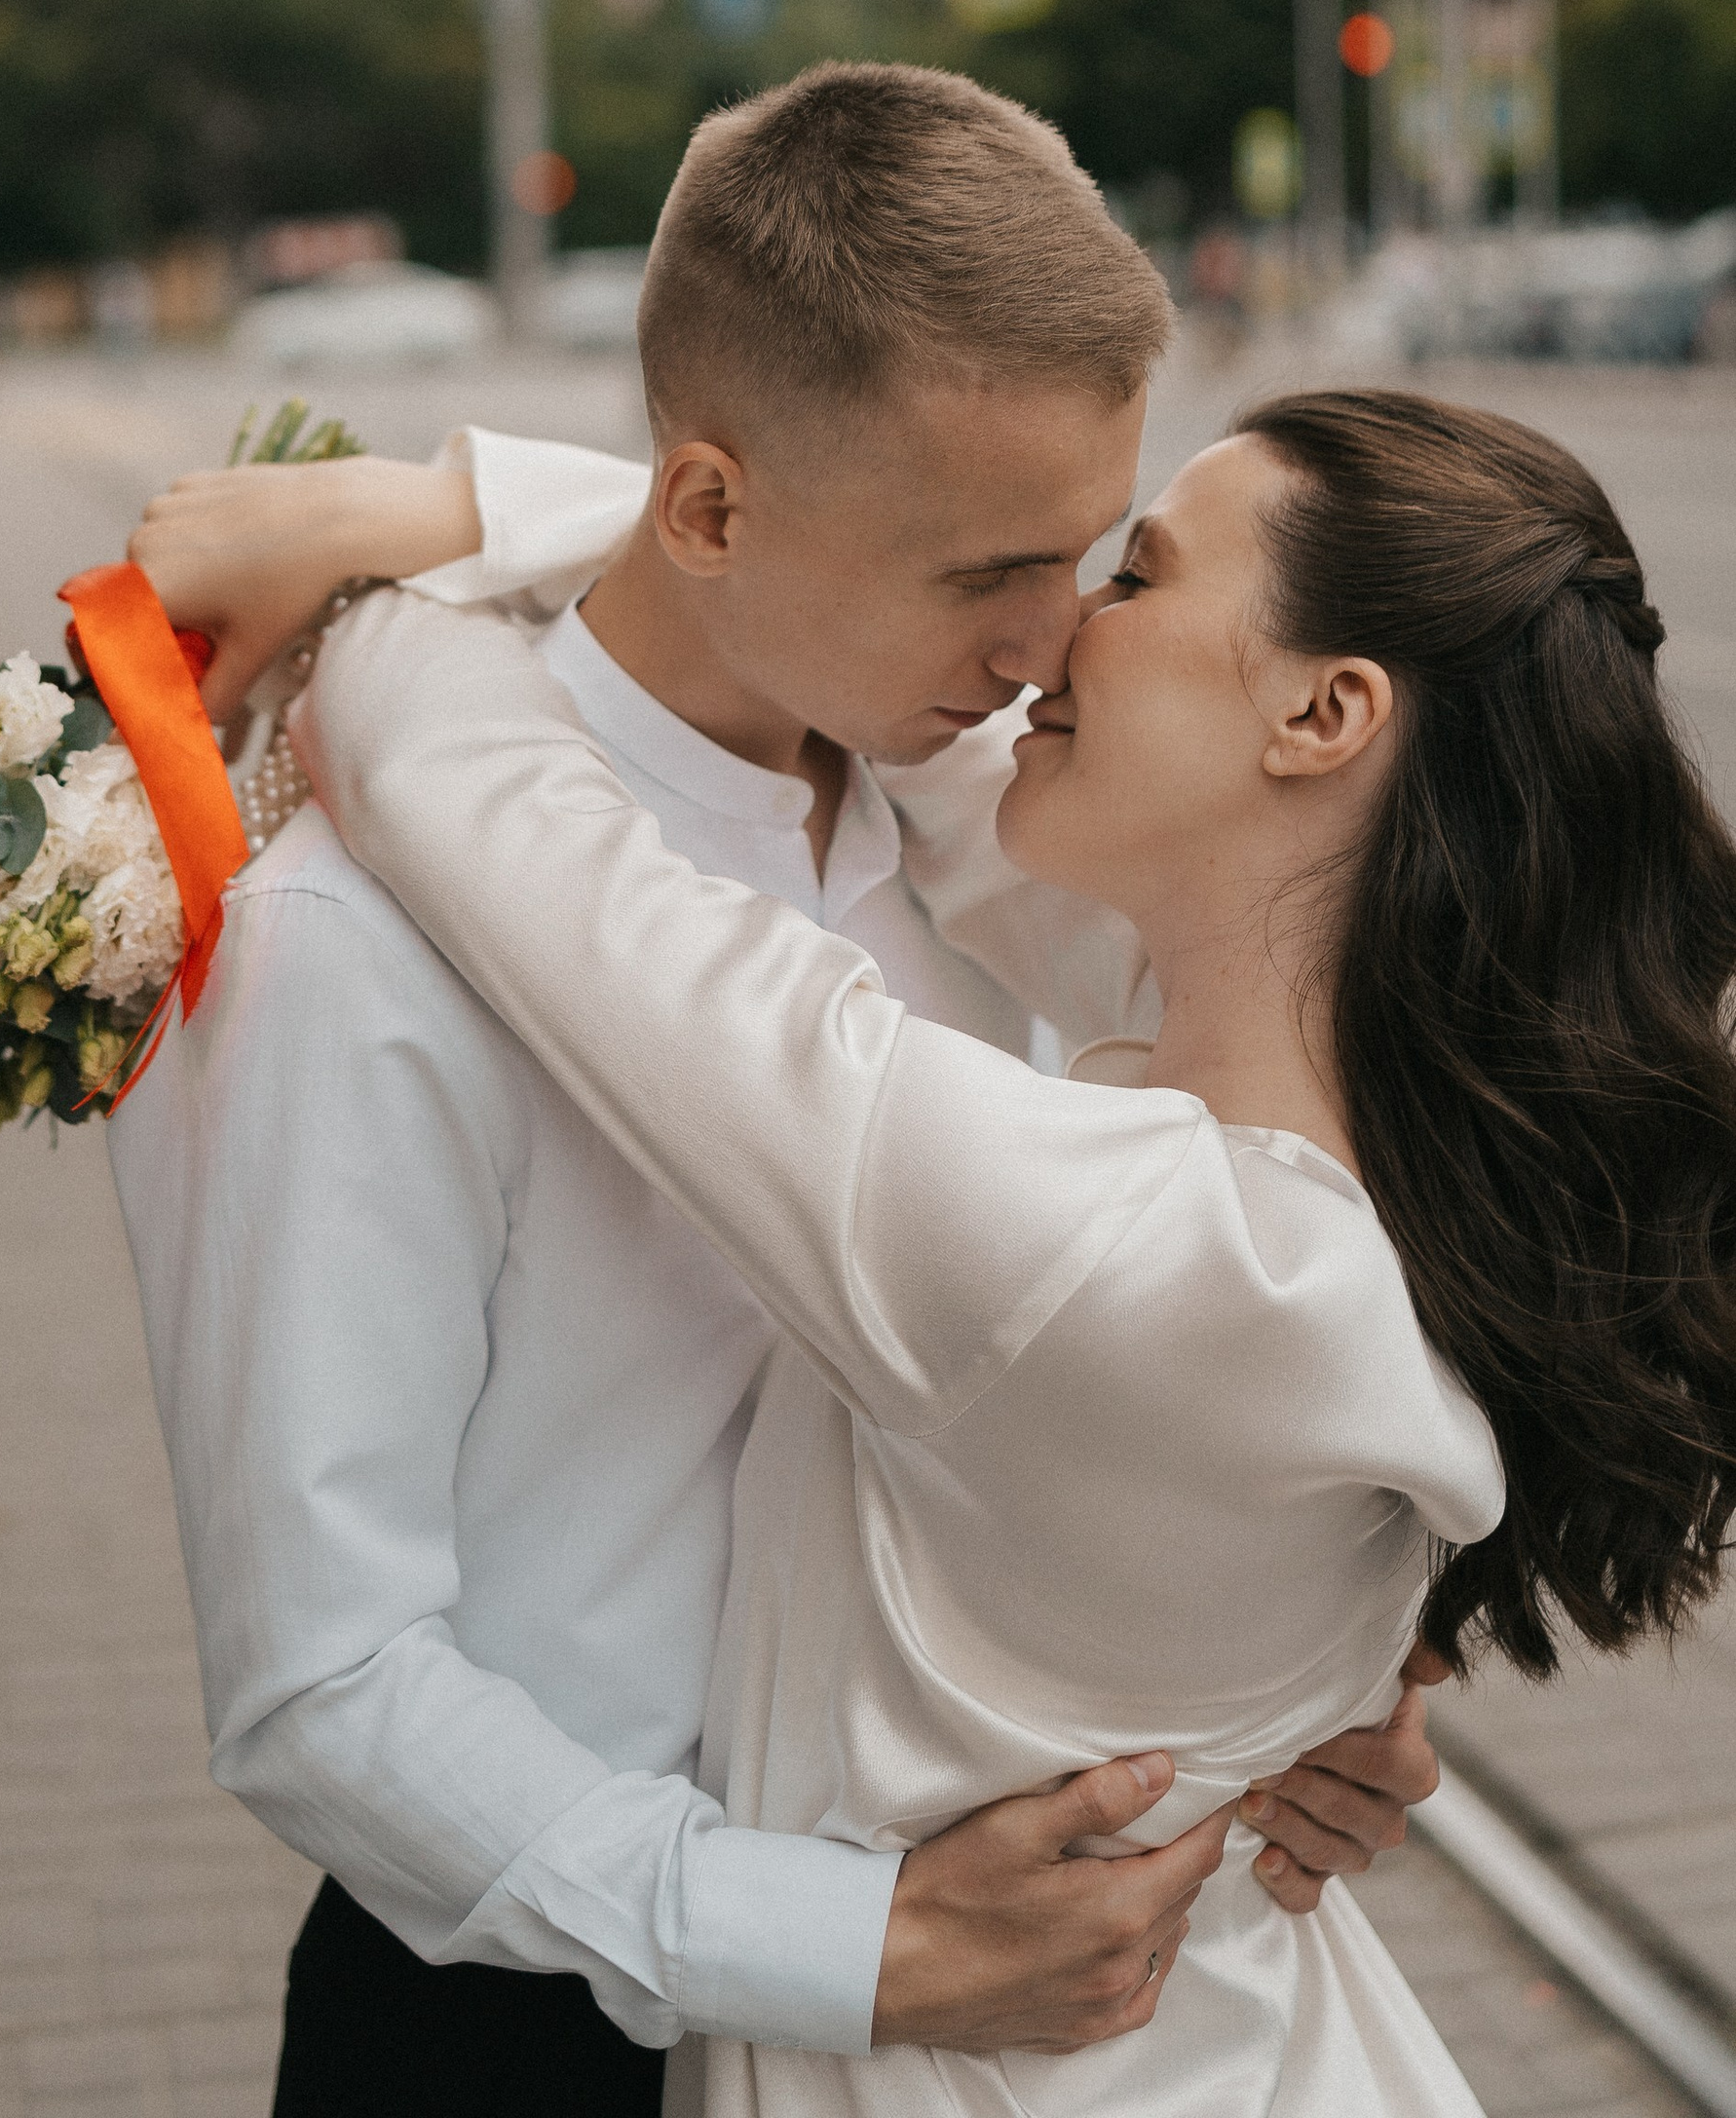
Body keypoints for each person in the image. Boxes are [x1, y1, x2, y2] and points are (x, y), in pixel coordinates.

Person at [116, 65, 1443, 2113]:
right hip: (535, 2024)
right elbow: (322, 1685)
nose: (1045, 649)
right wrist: (850, 1950)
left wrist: (1312, 1678)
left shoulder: (985, 835)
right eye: (978, 570)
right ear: (714, 507)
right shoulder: (352, 942)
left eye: (1084, 556)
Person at [278, 373, 1736, 2114]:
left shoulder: (1108, 1250)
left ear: (1327, 712)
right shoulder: (1406, 1136)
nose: (1046, 638)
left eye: (1133, 577)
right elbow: (875, 652)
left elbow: (474, 806)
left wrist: (377, 575)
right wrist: (491, 499)